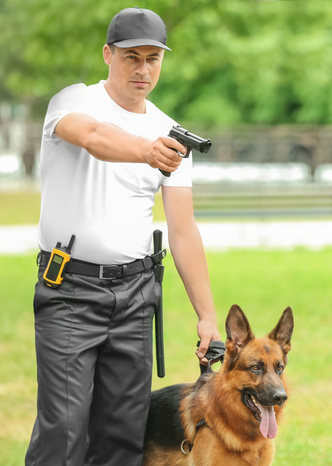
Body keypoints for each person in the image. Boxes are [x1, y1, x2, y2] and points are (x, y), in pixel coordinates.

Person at [26, 7, 222, 465]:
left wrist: (206, 316)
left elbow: (183, 229)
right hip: (69, 290)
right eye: (132, 56)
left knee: (122, 436)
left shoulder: (171, 133)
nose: (143, 69)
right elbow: (92, 136)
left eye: (153, 58)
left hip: (136, 297)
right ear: (107, 55)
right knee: (64, 432)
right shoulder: (73, 101)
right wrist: (146, 150)